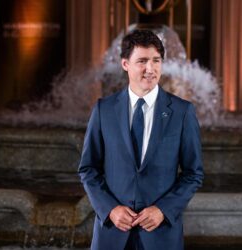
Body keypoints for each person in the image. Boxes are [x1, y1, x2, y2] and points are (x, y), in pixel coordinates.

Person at [78, 29, 204, 250]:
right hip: (112, 234)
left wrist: (163, 210)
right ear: (125, 64)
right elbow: (88, 169)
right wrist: (110, 209)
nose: (150, 69)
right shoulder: (103, 110)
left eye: (156, 61)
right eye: (142, 61)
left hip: (161, 235)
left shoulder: (182, 112)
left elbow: (193, 174)